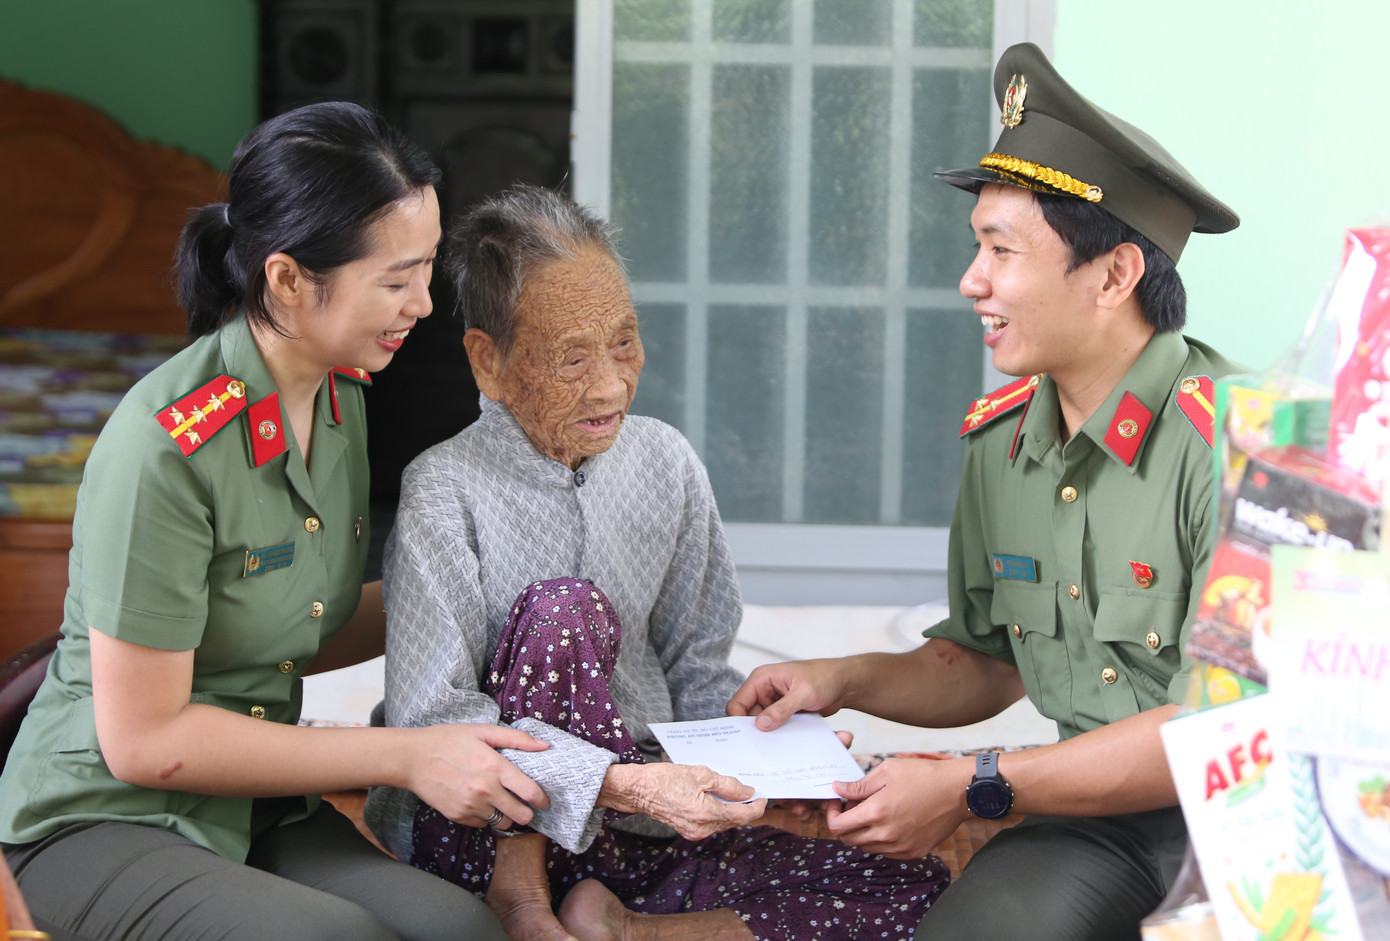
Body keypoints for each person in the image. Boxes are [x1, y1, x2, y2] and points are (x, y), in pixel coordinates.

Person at [728, 42, 1243, 941]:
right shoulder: (1003, 442)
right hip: (1090, 827)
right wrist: (838, 681)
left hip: (1251, 816)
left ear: (1115, 274)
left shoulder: (1235, 444)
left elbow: (1220, 725)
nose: (973, 282)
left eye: (1001, 251)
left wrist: (979, 782)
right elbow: (986, 658)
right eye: (978, 248)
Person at [0, 101, 550, 941]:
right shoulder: (166, 450)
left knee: (460, 929)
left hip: (249, 803)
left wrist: (479, 591)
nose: (423, 306)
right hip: (105, 815)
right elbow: (146, 742)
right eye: (395, 279)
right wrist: (406, 754)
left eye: (427, 269)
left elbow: (297, 625)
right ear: (289, 279)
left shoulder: (340, 400)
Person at [364, 183, 950, 941]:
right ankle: (522, 894)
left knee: (918, 887)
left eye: (623, 342)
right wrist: (614, 785)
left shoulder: (665, 462)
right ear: (490, 362)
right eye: (572, 357)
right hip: (485, 831)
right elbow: (430, 720)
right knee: (562, 610)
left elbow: (697, 663)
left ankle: (625, 931)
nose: (610, 383)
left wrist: (772, 767)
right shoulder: (443, 487)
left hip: (647, 831)